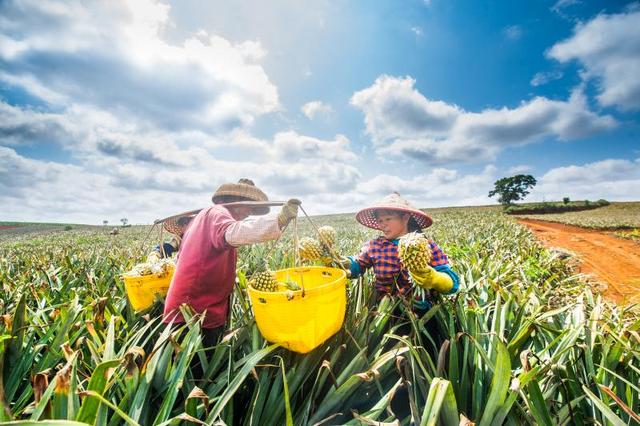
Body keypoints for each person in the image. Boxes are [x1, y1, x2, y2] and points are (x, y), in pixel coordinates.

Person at [162, 178, 300, 347]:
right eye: (248, 205)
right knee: (196, 367)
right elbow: (232, 234)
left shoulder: (203, 217)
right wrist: (279, 220)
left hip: (194, 305)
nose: (250, 212)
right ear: (233, 201)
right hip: (195, 309)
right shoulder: (218, 213)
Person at [342, 192, 459, 312]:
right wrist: (340, 262)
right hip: (385, 312)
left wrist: (435, 278)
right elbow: (357, 266)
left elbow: (453, 284)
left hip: (422, 313)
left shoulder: (425, 245)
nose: (383, 225)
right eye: (380, 220)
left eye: (388, 219)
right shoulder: (374, 246)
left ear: (405, 217)